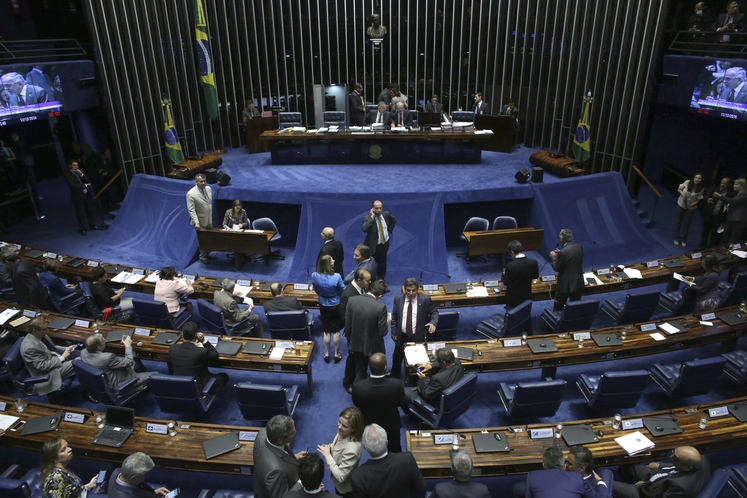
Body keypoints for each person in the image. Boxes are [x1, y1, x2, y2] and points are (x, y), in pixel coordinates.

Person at [349, 424, 426, 498]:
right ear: (387, 443)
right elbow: (420, 487)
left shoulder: (357, 477)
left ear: (365, 447)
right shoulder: (407, 459)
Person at [351, 353, 407, 453]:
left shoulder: (358, 387)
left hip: (369, 425)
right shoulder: (396, 385)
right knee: (395, 451)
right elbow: (401, 402)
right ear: (385, 368)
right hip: (391, 425)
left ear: (369, 367)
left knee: (374, 453)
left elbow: (357, 404)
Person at [612, 446, 710, 498]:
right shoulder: (701, 459)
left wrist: (643, 487)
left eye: (674, 458)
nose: (670, 457)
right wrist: (660, 465)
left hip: (648, 492)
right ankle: (625, 479)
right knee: (626, 459)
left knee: (610, 484)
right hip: (654, 475)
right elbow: (676, 465)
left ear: (689, 468)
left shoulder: (681, 487)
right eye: (673, 453)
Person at [390, 278, 438, 376]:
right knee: (397, 356)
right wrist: (394, 331)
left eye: (413, 291)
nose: (411, 293)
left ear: (417, 290)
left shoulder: (425, 300)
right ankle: (395, 372)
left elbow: (434, 312)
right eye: (408, 290)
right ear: (405, 290)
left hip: (418, 335)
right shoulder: (398, 299)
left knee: (417, 357)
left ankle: (416, 374)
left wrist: (433, 322)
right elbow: (394, 317)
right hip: (402, 334)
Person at [344, 280, 390, 383]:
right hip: (373, 346)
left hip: (355, 343)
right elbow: (382, 332)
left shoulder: (351, 300)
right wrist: (387, 322)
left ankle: (354, 387)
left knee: (359, 368)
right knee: (376, 367)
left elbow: (348, 326)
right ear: (380, 296)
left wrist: (350, 344)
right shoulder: (380, 308)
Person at [254, 415, 307, 498]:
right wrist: (302, 483)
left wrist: (292, 457)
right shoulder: (276, 472)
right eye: (292, 433)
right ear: (280, 440)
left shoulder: (263, 434)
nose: (296, 432)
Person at [21, 317, 76, 396]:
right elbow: (43, 366)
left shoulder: (41, 335)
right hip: (49, 372)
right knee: (80, 362)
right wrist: (62, 357)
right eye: (44, 329)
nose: (47, 331)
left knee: (83, 356)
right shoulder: (29, 348)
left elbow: (52, 348)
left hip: (54, 359)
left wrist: (66, 349)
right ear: (34, 331)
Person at [168, 320, 228, 392]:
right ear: (196, 335)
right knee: (223, 376)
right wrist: (204, 341)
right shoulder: (201, 351)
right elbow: (214, 354)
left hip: (178, 385)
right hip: (197, 388)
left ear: (182, 334)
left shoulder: (172, 349)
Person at [317, 407, 364, 498]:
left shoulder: (352, 450)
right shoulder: (343, 432)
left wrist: (327, 455)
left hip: (346, 489)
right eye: (339, 422)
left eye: (344, 426)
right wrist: (330, 448)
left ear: (353, 429)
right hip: (338, 483)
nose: (339, 427)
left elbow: (341, 476)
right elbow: (339, 446)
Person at [80, 333, 154, 389]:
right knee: (156, 374)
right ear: (99, 347)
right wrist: (128, 345)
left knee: (135, 359)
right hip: (121, 381)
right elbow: (128, 362)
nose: (105, 341)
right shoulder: (107, 357)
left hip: (107, 375)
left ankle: (142, 384)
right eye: (103, 341)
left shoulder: (83, 352)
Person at [340, 269, 372, 393]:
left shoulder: (363, 289)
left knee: (363, 356)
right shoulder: (348, 295)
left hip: (363, 330)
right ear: (359, 280)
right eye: (367, 280)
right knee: (353, 358)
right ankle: (348, 381)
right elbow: (344, 318)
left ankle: (362, 375)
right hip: (353, 333)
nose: (370, 282)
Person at [522, 446, 598, 498]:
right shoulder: (577, 477)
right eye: (566, 462)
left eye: (569, 463)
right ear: (564, 466)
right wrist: (600, 481)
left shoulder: (532, 476)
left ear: (543, 465)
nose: (567, 465)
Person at [312, 255, 346, 363]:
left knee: (326, 329)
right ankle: (336, 354)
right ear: (327, 264)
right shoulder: (336, 276)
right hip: (335, 304)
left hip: (323, 304)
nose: (334, 260)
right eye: (332, 260)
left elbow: (316, 290)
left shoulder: (314, 275)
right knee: (336, 331)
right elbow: (343, 290)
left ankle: (326, 354)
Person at [502, 240, 539, 334]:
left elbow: (505, 283)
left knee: (513, 315)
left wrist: (505, 275)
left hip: (513, 298)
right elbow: (535, 276)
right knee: (526, 312)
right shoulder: (533, 262)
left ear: (512, 252)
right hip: (527, 295)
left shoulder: (510, 266)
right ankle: (528, 332)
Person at [63, 159, 101, 236]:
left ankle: (92, 225)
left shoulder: (81, 171)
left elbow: (88, 181)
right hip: (77, 196)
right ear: (70, 166)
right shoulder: (67, 174)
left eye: (76, 165)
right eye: (73, 165)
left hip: (86, 195)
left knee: (90, 211)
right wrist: (85, 185)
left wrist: (81, 174)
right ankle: (83, 228)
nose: (75, 167)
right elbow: (73, 185)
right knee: (81, 213)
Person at [550, 228, 585, 311]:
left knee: (558, 307)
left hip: (565, 285)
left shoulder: (564, 252)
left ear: (562, 239)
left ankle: (556, 323)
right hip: (577, 282)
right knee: (575, 307)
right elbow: (572, 259)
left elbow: (556, 268)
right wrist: (562, 255)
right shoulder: (579, 247)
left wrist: (553, 257)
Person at [362, 200, 397, 281]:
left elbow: (394, 220)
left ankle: (381, 279)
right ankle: (370, 281)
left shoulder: (386, 214)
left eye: (380, 208)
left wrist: (389, 231)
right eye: (376, 208)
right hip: (373, 246)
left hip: (384, 244)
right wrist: (372, 217)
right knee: (371, 265)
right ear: (373, 208)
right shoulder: (367, 218)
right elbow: (364, 228)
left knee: (382, 263)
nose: (378, 210)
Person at [186, 173, 215, 264]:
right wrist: (196, 222)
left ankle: (208, 254)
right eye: (201, 181)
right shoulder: (191, 194)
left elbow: (208, 204)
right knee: (202, 240)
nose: (203, 183)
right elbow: (191, 210)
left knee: (210, 238)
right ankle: (202, 257)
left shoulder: (209, 189)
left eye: (204, 181)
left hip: (209, 218)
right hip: (200, 221)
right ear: (196, 182)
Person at [700, 177, 733, 249]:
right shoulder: (714, 189)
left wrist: (728, 208)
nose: (722, 185)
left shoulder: (731, 194)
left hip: (718, 217)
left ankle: (710, 248)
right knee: (705, 231)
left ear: (729, 185)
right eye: (722, 183)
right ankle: (702, 247)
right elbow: (706, 196)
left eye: (725, 183)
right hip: (709, 214)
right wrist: (708, 199)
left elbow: (731, 203)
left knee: (714, 233)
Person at [714, 177, 747, 245]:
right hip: (732, 218)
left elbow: (733, 201)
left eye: (736, 184)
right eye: (734, 184)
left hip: (738, 220)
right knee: (725, 236)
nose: (734, 186)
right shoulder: (738, 195)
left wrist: (720, 196)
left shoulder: (744, 195)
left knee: (734, 238)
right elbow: (735, 204)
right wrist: (729, 207)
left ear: (742, 186)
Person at [674, 173, 704, 246]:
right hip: (681, 204)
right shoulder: (687, 182)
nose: (697, 179)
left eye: (699, 178)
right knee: (678, 221)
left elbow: (698, 199)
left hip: (691, 207)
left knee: (686, 223)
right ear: (693, 178)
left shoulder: (701, 188)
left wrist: (691, 205)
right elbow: (679, 189)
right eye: (696, 177)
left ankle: (683, 239)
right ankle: (676, 238)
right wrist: (682, 193)